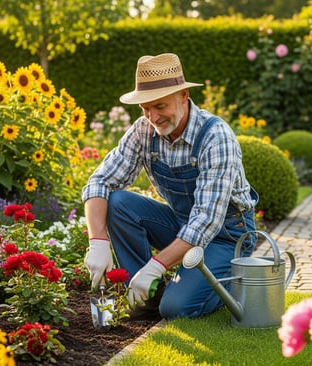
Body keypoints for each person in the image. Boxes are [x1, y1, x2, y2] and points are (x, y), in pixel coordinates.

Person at [83, 53, 258, 320]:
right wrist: (97, 241)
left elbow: (206, 220)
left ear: (184, 95)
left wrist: (156, 266)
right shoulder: (143, 130)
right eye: (145, 108)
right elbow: (100, 181)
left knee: (176, 309)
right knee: (117, 202)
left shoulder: (215, 136)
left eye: (160, 106)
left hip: (225, 236)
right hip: (181, 224)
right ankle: (146, 297)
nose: (152, 116)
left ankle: (227, 281)